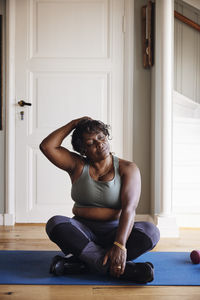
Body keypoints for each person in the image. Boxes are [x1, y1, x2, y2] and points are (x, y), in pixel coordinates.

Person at [40, 117, 160, 283]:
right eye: (90, 143)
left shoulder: (128, 169)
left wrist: (119, 244)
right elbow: (47, 146)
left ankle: (81, 264)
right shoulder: (77, 165)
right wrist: (75, 123)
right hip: (83, 232)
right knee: (55, 224)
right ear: (83, 150)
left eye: (101, 137)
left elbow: (129, 209)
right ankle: (120, 269)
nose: (99, 144)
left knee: (151, 231)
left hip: (117, 233)